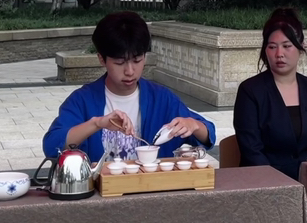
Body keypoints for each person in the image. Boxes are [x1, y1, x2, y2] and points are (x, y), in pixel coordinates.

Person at [43, 11, 215, 162]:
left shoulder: (161, 98)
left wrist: (193, 125)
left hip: (150, 186)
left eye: (137, 60)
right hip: (99, 187)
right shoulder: (82, 101)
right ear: (102, 59)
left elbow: (208, 135)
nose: (130, 71)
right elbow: (52, 145)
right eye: (120, 63)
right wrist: (97, 124)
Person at [233, 8, 307, 180]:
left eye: (287, 46)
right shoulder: (250, 91)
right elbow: (251, 150)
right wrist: (282, 186)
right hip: (264, 181)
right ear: (265, 50)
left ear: (301, 47)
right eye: (272, 47)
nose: (279, 54)